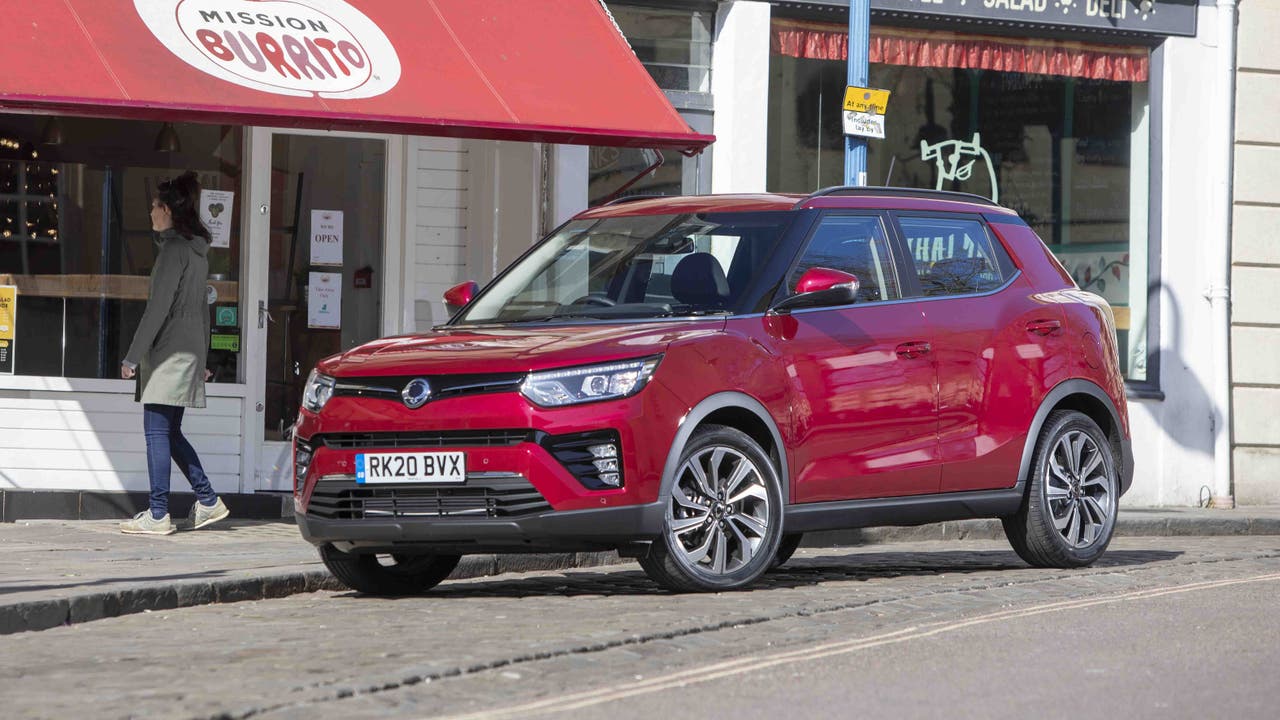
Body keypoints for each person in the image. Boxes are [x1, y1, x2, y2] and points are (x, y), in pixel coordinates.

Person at [119, 171, 230, 535]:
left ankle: (158, 513)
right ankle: (209, 501)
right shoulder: (197, 252)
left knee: (156, 431)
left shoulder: (173, 252)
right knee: (171, 432)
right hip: (187, 351)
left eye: (154, 207)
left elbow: (157, 310)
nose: (150, 213)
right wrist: (204, 358)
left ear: (167, 210)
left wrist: (132, 357)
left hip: (167, 353)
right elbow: (203, 308)